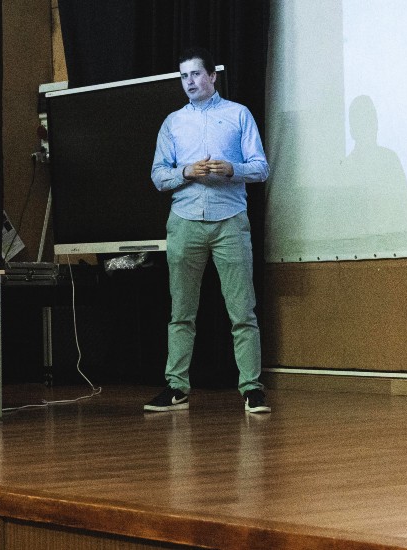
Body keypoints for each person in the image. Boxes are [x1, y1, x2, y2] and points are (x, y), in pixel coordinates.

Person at [145, 47, 271, 414]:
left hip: (230, 220)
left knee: (242, 310)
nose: (190, 82)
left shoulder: (238, 115)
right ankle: (176, 387)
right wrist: (186, 172)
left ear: (212, 76)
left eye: (196, 75)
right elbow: (157, 175)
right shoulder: (173, 122)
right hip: (184, 222)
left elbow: (260, 168)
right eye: (184, 77)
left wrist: (230, 169)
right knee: (181, 312)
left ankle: (251, 387)